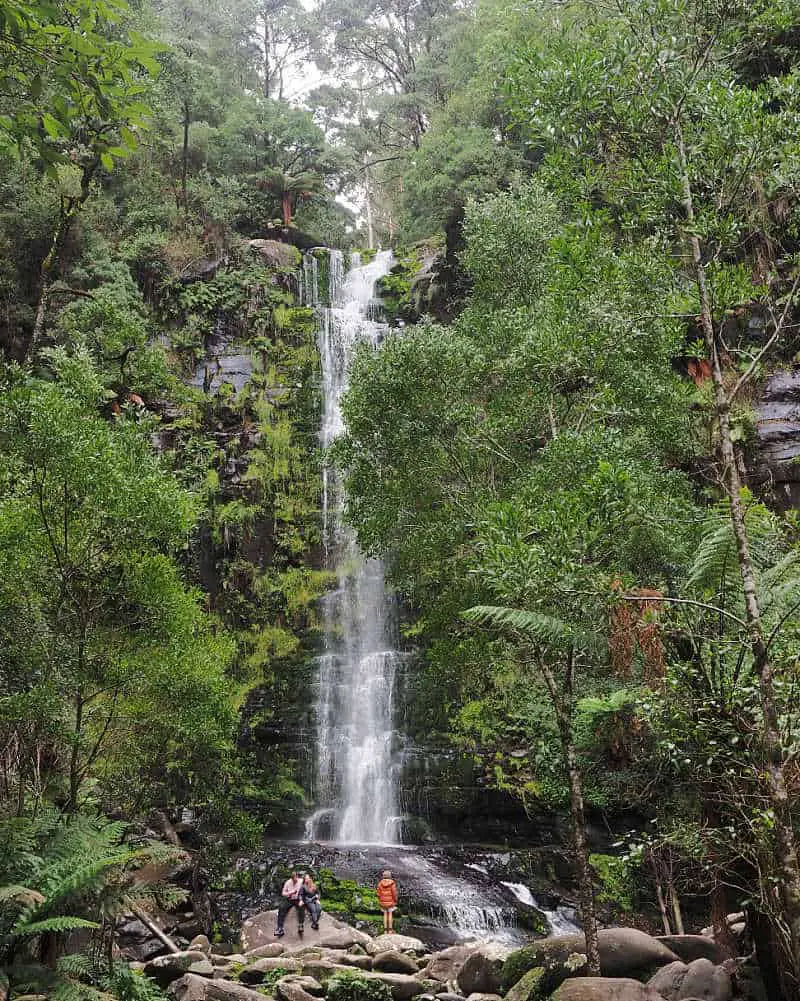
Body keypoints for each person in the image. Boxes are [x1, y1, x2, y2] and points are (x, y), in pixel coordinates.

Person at [275, 869, 305, 937]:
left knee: (301, 907)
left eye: (295, 879)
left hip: (298, 899)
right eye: (293, 880)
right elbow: (283, 893)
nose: (294, 881)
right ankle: (280, 928)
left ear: (297, 877)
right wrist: (291, 892)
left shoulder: (301, 881)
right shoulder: (288, 882)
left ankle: (301, 925)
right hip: (290, 899)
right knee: (281, 908)